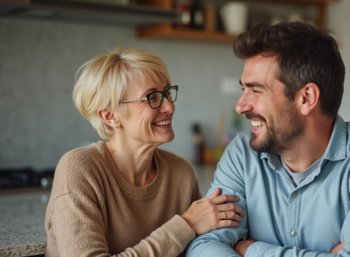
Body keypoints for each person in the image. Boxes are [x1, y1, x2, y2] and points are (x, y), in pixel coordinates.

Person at [186, 21, 350, 257]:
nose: (240, 106)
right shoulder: (242, 154)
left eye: (255, 90)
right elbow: (203, 246)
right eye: (243, 89)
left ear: (306, 98)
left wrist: (252, 249)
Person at [45, 47, 244, 257]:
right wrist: (185, 224)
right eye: (152, 97)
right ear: (110, 116)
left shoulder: (181, 173)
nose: (169, 107)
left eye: (167, 93)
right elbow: (189, 227)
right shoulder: (79, 168)